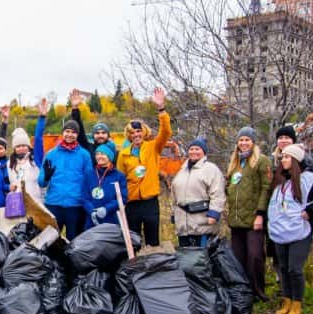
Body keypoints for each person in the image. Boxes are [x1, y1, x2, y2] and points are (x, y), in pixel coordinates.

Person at [268, 144, 313, 314]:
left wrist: (311, 212)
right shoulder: (280, 180)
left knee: (295, 268)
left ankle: (297, 304)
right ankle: (286, 301)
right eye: (282, 158)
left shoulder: (310, 179)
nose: (283, 160)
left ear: (296, 160)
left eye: (287, 157)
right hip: (280, 230)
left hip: (300, 230)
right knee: (284, 268)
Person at [117, 87, 172, 246]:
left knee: (152, 241)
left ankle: (153, 268)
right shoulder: (124, 153)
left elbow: (166, 132)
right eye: (133, 133)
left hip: (150, 202)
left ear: (144, 132)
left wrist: (161, 109)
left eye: (139, 132)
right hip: (132, 203)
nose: (136, 135)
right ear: (129, 135)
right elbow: (120, 177)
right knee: (133, 242)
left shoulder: (153, 147)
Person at [226, 126, 273, 301]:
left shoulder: (262, 161)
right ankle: (243, 291)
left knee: (254, 256)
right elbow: (229, 186)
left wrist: (260, 213)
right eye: (241, 140)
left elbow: (266, 188)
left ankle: (258, 291)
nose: (244, 143)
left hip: (254, 218)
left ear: (253, 142)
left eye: (247, 140)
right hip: (236, 219)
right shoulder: (235, 163)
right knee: (238, 257)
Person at [38, 118, 94, 240]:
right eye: (67, 131)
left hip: (75, 206)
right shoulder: (51, 154)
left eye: (73, 132)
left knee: (73, 241)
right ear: (63, 132)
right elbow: (41, 183)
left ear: (77, 135)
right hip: (53, 204)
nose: (70, 134)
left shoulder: (84, 155)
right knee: (51, 241)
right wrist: (46, 177)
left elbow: (89, 180)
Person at [171, 138, 226, 247]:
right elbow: (174, 195)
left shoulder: (211, 169)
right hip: (183, 224)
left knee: (202, 258)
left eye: (197, 149)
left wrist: (214, 213)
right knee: (186, 258)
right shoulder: (182, 170)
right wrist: (174, 214)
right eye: (191, 149)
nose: (194, 151)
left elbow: (217, 194)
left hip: (202, 222)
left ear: (204, 152)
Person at [9, 99, 47, 203]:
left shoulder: (35, 158)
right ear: (14, 148)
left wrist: (42, 118)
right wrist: (10, 187)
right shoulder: (10, 163)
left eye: (24, 145)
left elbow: (38, 138)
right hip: (18, 204)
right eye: (18, 146)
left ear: (28, 146)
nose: (21, 148)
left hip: (37, 202)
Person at [82, 144, 127, 229]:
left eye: (102, 154)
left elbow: (122, 199)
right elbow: (84, 197)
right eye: (97, 154)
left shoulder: (119, 176)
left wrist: (106, 209)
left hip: (112, 219)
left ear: (110, 157)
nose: (99, 156)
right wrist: (91, 211)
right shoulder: (89, 174)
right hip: (92, 220)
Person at [69, 88, 116, 161]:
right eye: (97, 133)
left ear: (108, 135)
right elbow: (80, 132)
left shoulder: (114, 150)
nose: (100, 135)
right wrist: (75, 108)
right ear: (93, 135)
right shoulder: (89, 148)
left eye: (103, 133)